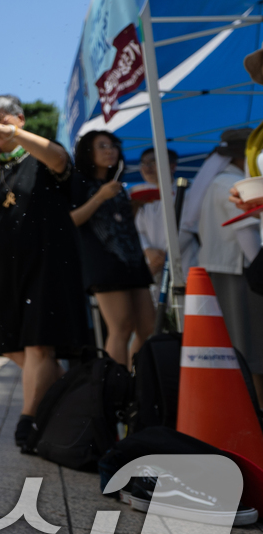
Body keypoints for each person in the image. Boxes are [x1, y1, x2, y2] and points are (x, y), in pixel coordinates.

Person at [0, 94, 92, 453]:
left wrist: (9, 133)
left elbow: (60, 160)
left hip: (48, 263)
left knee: (38, 345)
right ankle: (64, 392)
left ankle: (28, 419)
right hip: (4, 268)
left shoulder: (40, 154)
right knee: (14, 348)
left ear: (20, 119)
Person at [70, 131, 156, 365]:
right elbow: (71, 221)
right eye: (102, 146)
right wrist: (99, 197)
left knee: (148, 326)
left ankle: (135, 378)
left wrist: (135, 205)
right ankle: (117, 386)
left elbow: (118, 222)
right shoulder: (79, 182)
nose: (110, 151)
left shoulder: (116, 184)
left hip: (133, 259)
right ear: (88, 152)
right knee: (121, 327)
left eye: (113, 146)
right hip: (104, 262)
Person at [197, 128, 263, 402]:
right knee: (253, 351)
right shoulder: (231, 184)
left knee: (242, 349)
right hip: (238, 272)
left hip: (222, 269)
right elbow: (246, 234)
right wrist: (260, 268)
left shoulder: (216, 182)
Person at [134, 146, 179, 290]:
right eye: (143, 163)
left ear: (172, 167)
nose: (147, 167)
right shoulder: (141, 198)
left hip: (181, 263)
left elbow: (186, 228)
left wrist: (163, 257)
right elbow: (138, 230)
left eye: (153, 162)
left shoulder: (185, 194)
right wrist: (147, 249)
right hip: (152, 266)